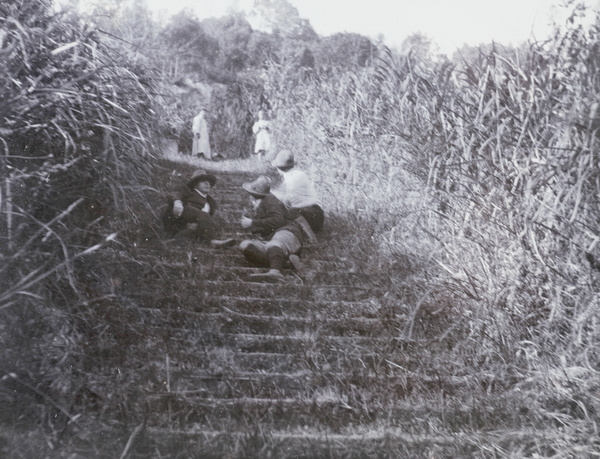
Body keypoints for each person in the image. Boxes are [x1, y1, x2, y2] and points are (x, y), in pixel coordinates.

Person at [239, 176, 305, 281]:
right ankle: (286, 263)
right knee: (245, 246)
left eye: (252, 195)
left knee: (274, 244)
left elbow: (278, 221)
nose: (250, 198)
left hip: (287, 232)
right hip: (271, 239)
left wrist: (252, 222)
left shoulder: (270, 200)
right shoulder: (261, 205)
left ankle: (275, 272)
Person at [162, 170, 235, 247]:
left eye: (209, 182)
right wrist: (177, 202)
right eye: (203, 181)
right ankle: (212, 241)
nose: (207, 183)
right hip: (183, 216)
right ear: (195, 184)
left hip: (194, 227)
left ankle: (175, 241)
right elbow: (173, 195)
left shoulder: (211, 202)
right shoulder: (189, 192)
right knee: (203, 215)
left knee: (198, 224)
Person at [271, 149, 324, 239]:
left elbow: (285, 201)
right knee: (286, 214)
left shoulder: (290, 179)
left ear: (279, 168)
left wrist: (268, 193)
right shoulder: (298, 174)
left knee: (287, 213)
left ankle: (312, 237)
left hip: (310, 214)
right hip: (316, 215)